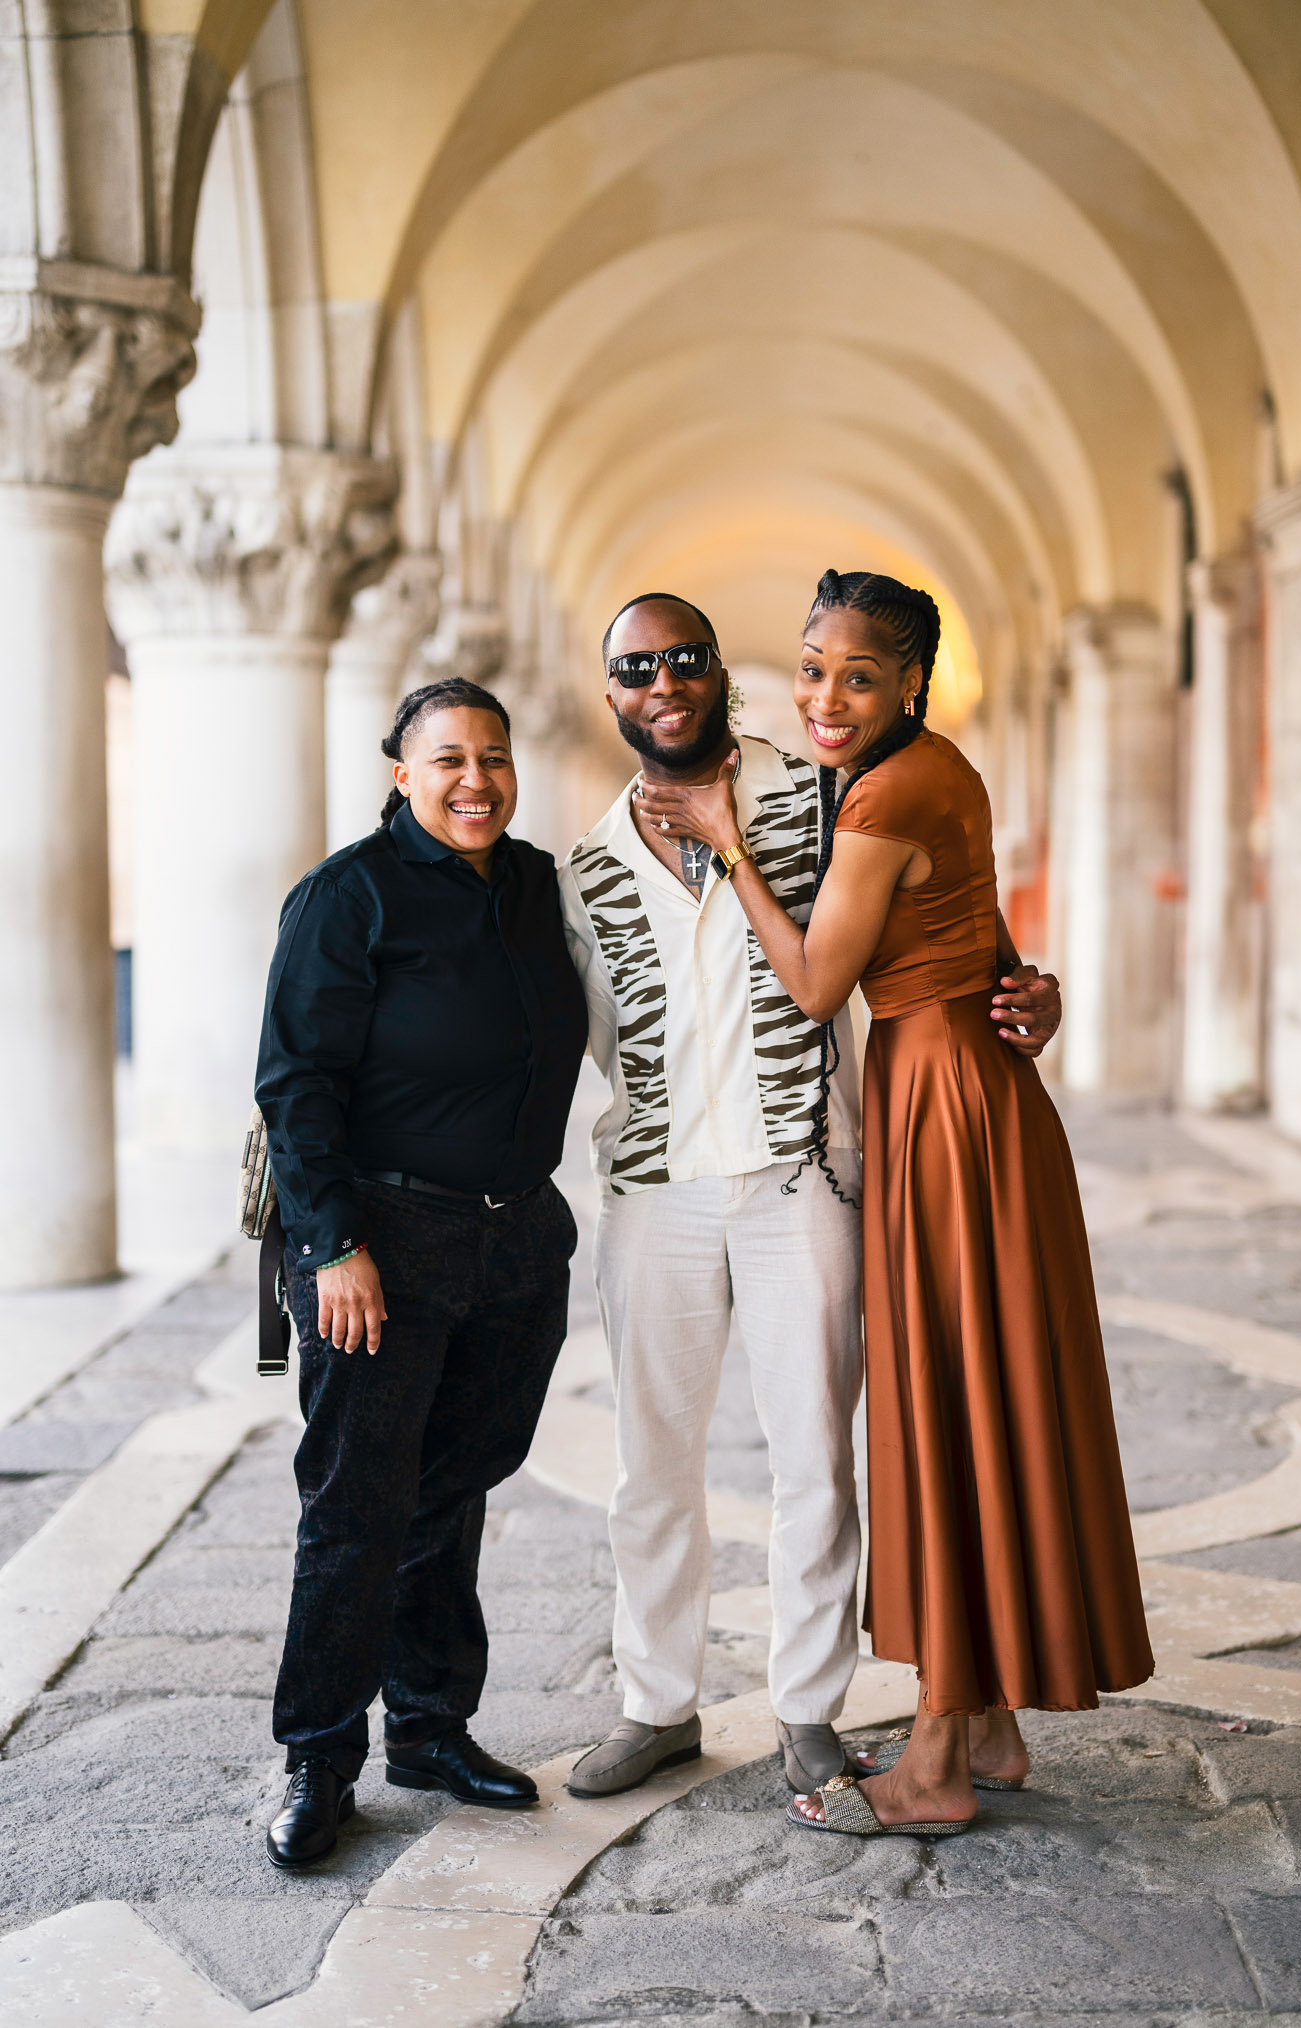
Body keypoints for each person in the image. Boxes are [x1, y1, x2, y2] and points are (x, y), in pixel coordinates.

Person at [634, 570, 1153, 1840]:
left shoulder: (892, 784)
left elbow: (815, 982)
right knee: (965, 1392)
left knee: (951, 1406)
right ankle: (983, 1719)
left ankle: (934, 1760)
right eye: (810, 667)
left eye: (857, 676)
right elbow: (965, 931)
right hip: (951, 1087)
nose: (824, 694)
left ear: (908, 681)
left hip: (944, 1102)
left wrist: (725, 844)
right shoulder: (922, 769)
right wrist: (1025, 988)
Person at [558, 593, 1063, 1802]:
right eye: (637, 668)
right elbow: (537, 1031)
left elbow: (941, 905)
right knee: (651, 1462)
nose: (664, 683)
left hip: (804, 1177)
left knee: (815, 1461)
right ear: (611, 692)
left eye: (685, 659)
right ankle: (655, 1704)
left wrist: (1022, 990)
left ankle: (805, 1710)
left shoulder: (823, 793)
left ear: (720, 674)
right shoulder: (582, 863)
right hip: (653, 1190)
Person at [254, 676, 588, 1867]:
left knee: (453, 1489)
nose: (474, 780)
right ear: (402, 774)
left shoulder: (540, 885)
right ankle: (319, 1759)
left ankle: (432, 1731)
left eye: (491, 758)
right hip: (381, 1245)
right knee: (355, 1504)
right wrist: (330, 1247)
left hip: (512, 1244)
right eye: (446, 760)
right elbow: (295, 1085)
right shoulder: (349, 897)